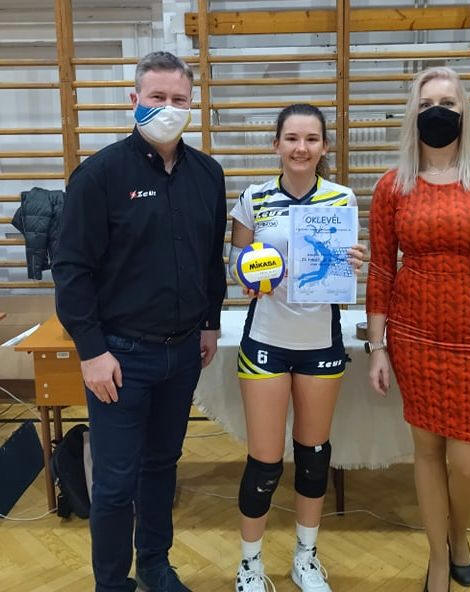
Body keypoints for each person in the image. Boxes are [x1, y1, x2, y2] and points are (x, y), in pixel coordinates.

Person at [52, 51, 227, 592]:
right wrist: (91, 351)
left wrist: (210, 322)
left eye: (179, 99)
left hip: (183, 352)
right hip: (120, 357)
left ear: (192, 104)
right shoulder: (100, 175)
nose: (169, 108)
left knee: (162, 466)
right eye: (157, 97)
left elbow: (210, 258)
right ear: (134, 99)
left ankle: (154, 564)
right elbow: (71, 269)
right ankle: (112, 583)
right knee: (114, 482)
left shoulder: (208, 174)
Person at [366, 67, 470, 592]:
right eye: (428, 102)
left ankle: (460, 535)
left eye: (450, 103)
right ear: (413, 113)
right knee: (428, 453)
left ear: (465, 112)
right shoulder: (392, 187)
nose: (439, 111)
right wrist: (377, 347)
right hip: (413, 338)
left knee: (469, 463)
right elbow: (381, 270)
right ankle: (439, 557)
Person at [229, 103, 366, 592]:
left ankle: (305, 559)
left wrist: (353, 260)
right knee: (264, 463)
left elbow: (343, 271)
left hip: (320, 343)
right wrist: (248, 273)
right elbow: (236, 262)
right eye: (291, 138)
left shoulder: (342, 198)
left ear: (324, 146)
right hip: (266, 340)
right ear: (276, 145)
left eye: (311, 139)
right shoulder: (254, 198)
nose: (301, 147)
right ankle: (250, 565)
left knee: (313, 456)